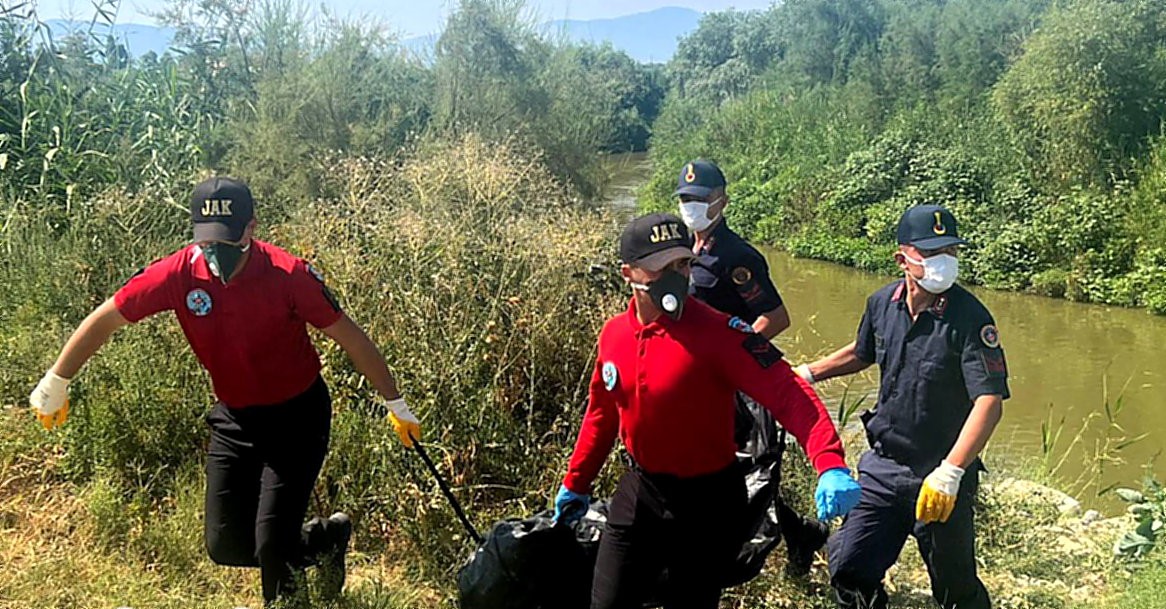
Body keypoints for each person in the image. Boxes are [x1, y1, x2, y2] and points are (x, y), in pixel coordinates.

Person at [28, 177, 422, 607]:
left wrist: (395, 403)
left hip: (297, 417)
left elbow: (352, 339)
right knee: (227, 546)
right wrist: (57, 380)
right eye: (208, 240)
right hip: (235, 419)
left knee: (272, 543)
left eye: (228, 239)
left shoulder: (288, 275)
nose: (216, 251)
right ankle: (325, 539)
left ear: (251, 228)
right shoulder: (179, 273)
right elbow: (107, 318)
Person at [552, 212, 862, 609]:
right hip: (642, 489)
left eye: (683, 263)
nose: (677, 275)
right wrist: (576, 482)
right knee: (608, 602)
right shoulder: (615, 335)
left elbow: (788, 393)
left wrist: (829, 462)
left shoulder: (722, 333)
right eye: (662, 266)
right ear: (629, 273)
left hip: (709, 502)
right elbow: (602, 414)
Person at [791, 204, 1008, 609]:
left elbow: (989, 401)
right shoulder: (881, 304)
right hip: (884, 467)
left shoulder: (970, 318)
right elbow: (862, 352)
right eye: (930, 253)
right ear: (902, 259)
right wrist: (807, 373)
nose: (944, 261)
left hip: (941, 472)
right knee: (848, 570)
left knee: (956, 590)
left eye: (951, 251)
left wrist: (952, 471)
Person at [674, 158, 828, 576]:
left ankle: (734, 549)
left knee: (741, 468)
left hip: (730, 385)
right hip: (692, 379)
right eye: (685, 198)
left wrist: (738, 354)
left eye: (700, 198)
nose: (692, 205)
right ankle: (803, 535)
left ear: (721, 200)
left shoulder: (737, 257)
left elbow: (774, 317)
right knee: (737, 471)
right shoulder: (683, 251)